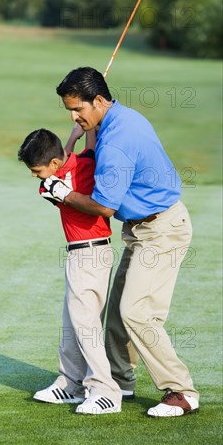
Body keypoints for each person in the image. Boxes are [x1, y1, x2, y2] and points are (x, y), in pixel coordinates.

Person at [41, 66, 199, 418]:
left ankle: (182, 391)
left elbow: (104, 206)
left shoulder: (116, 142)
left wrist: (63, 193)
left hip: (162, 229)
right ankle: (119, 381)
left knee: (136, 312)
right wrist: (87, 128)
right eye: (69, 110)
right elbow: (98, 157)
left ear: (98, 100)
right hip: (144, 230)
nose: (73, 116)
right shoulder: (119, 117)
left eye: (78, 109)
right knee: (116, 315)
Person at [18, 124, 122, 414]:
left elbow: (58, 174)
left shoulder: (52, 185)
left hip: (88, 255)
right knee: (72, 323)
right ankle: (71, 384)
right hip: (87, 254)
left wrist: (74, 137)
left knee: (85, 326)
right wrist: (78, 134)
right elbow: (79, 155)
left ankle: (105, 391)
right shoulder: (84, 163)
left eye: (37, 170)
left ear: (52, 164)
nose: (35, 176)